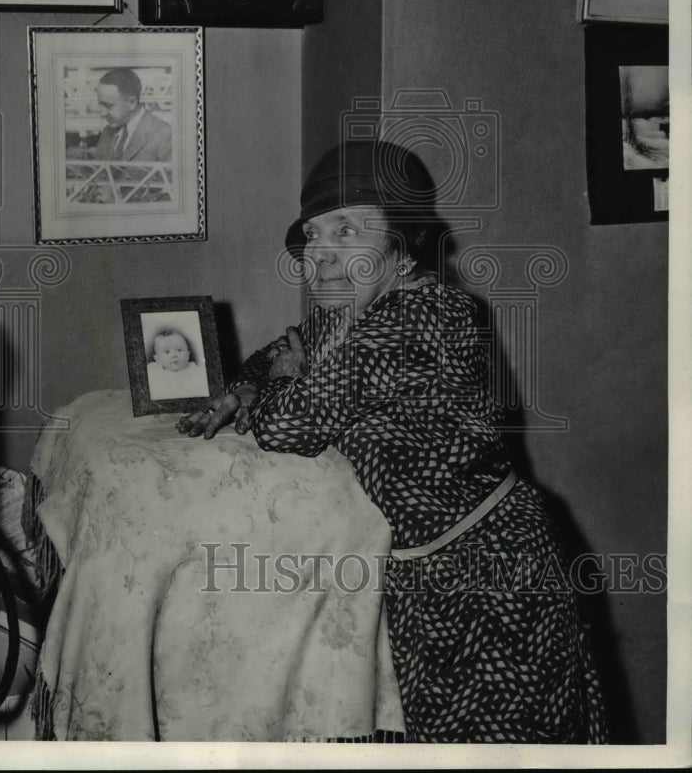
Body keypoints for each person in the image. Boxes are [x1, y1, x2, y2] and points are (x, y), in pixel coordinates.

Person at [177, 139, 607, 744]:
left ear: (401, 250)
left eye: (346, 231)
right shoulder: (352, 314)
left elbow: (287, 423)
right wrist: (247, 385)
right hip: (424, 580)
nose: (320, 255)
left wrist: (274, 390)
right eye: (314, 236)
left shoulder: (428, 315)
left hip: (493, 580)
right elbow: (277, 352)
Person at [93, 68, 172, 162]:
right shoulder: (107, 132)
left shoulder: (165, 135)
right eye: (101, 105)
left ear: (132, 103)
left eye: (109, 106)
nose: (103, 113)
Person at [147, 328, 209, 401]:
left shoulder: (195, 370)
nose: (174, 355)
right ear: (157, 359)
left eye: (179, 350)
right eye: (167, 352)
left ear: (188, 355)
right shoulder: (155, 371)